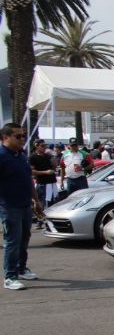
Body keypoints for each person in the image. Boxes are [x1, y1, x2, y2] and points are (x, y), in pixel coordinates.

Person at [0, 123, 43, 290]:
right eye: (18, 136)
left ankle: (21, 268)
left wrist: (36, 200)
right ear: (5, 138)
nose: (22, 139)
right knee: (13, 241)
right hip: (9, 206)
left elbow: (28, 180)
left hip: (25, 205)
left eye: (23, 135)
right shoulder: (2, 156)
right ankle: (10, 276)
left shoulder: (21, 155)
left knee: (24, 239)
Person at [29, 139, 57, 228]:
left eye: (45, 145)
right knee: (41, 203)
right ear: (36, 146)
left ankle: (50, 221)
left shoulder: (48, 156)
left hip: (51, 182)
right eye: (42, 145)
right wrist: (45, 172)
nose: (44, 147)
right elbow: (32, 171)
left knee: (52, 202)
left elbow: (55, 168)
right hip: (42, 183)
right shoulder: (33, 157)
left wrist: (53, 162)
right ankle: (40, 220)